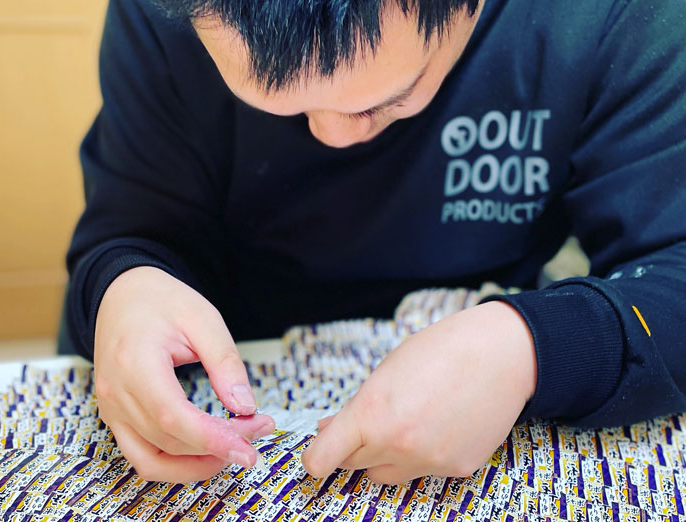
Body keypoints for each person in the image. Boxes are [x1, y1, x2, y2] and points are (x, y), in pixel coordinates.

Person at [64, 0, 686, 484]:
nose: (332, 137)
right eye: (281, 107)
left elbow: (673, 271)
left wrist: (532, 347)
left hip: (492, 361)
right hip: (236, 369)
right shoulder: (160, 15)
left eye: (381, 104)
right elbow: (131, 231)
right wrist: (125, 287)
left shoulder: (609, 17)